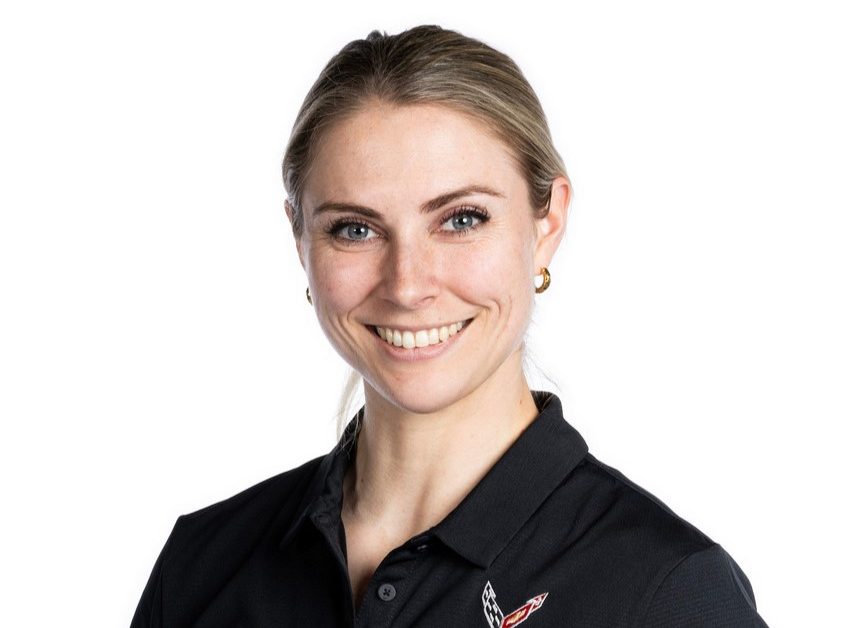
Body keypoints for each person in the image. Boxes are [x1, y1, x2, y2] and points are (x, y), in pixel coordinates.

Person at [131, 25, 768, 627]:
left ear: (546, 225)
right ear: (301, 242)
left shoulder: (668, 591)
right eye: (355, 229)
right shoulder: (203, 564)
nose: (408, 286)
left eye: (461, 219)